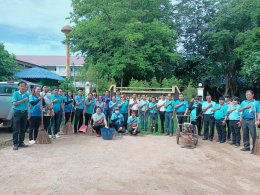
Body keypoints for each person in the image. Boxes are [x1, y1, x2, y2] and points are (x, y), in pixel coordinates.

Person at [12, 81, 30, 150]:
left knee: (23, 129)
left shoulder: (27, 94)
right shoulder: (15, 93)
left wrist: (28, 113)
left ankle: (21, 142)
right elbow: (15, 103)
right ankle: (15, 144)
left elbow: (27, 104)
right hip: (17, 112)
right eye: (21, 86)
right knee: (16, 129)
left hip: (24, 112)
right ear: (18, 87)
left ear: (26, 87)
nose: (22, 87)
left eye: (24, 86)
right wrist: (23, 100)